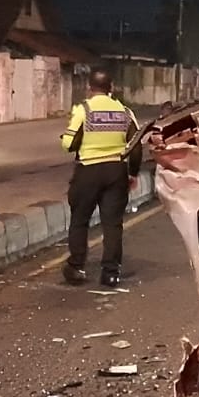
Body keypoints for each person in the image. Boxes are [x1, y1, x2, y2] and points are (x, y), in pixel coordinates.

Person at [60, 70, 142, 287]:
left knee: (80, 220)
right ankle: (111, 273)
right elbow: (136, 146)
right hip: (116, 171)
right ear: (111, 87)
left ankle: (76, 267)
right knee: (112, 224)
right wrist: (133, 174)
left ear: (89, 88)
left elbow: (68, 144)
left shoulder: (83, 110)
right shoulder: (124, 112)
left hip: (88, 170)